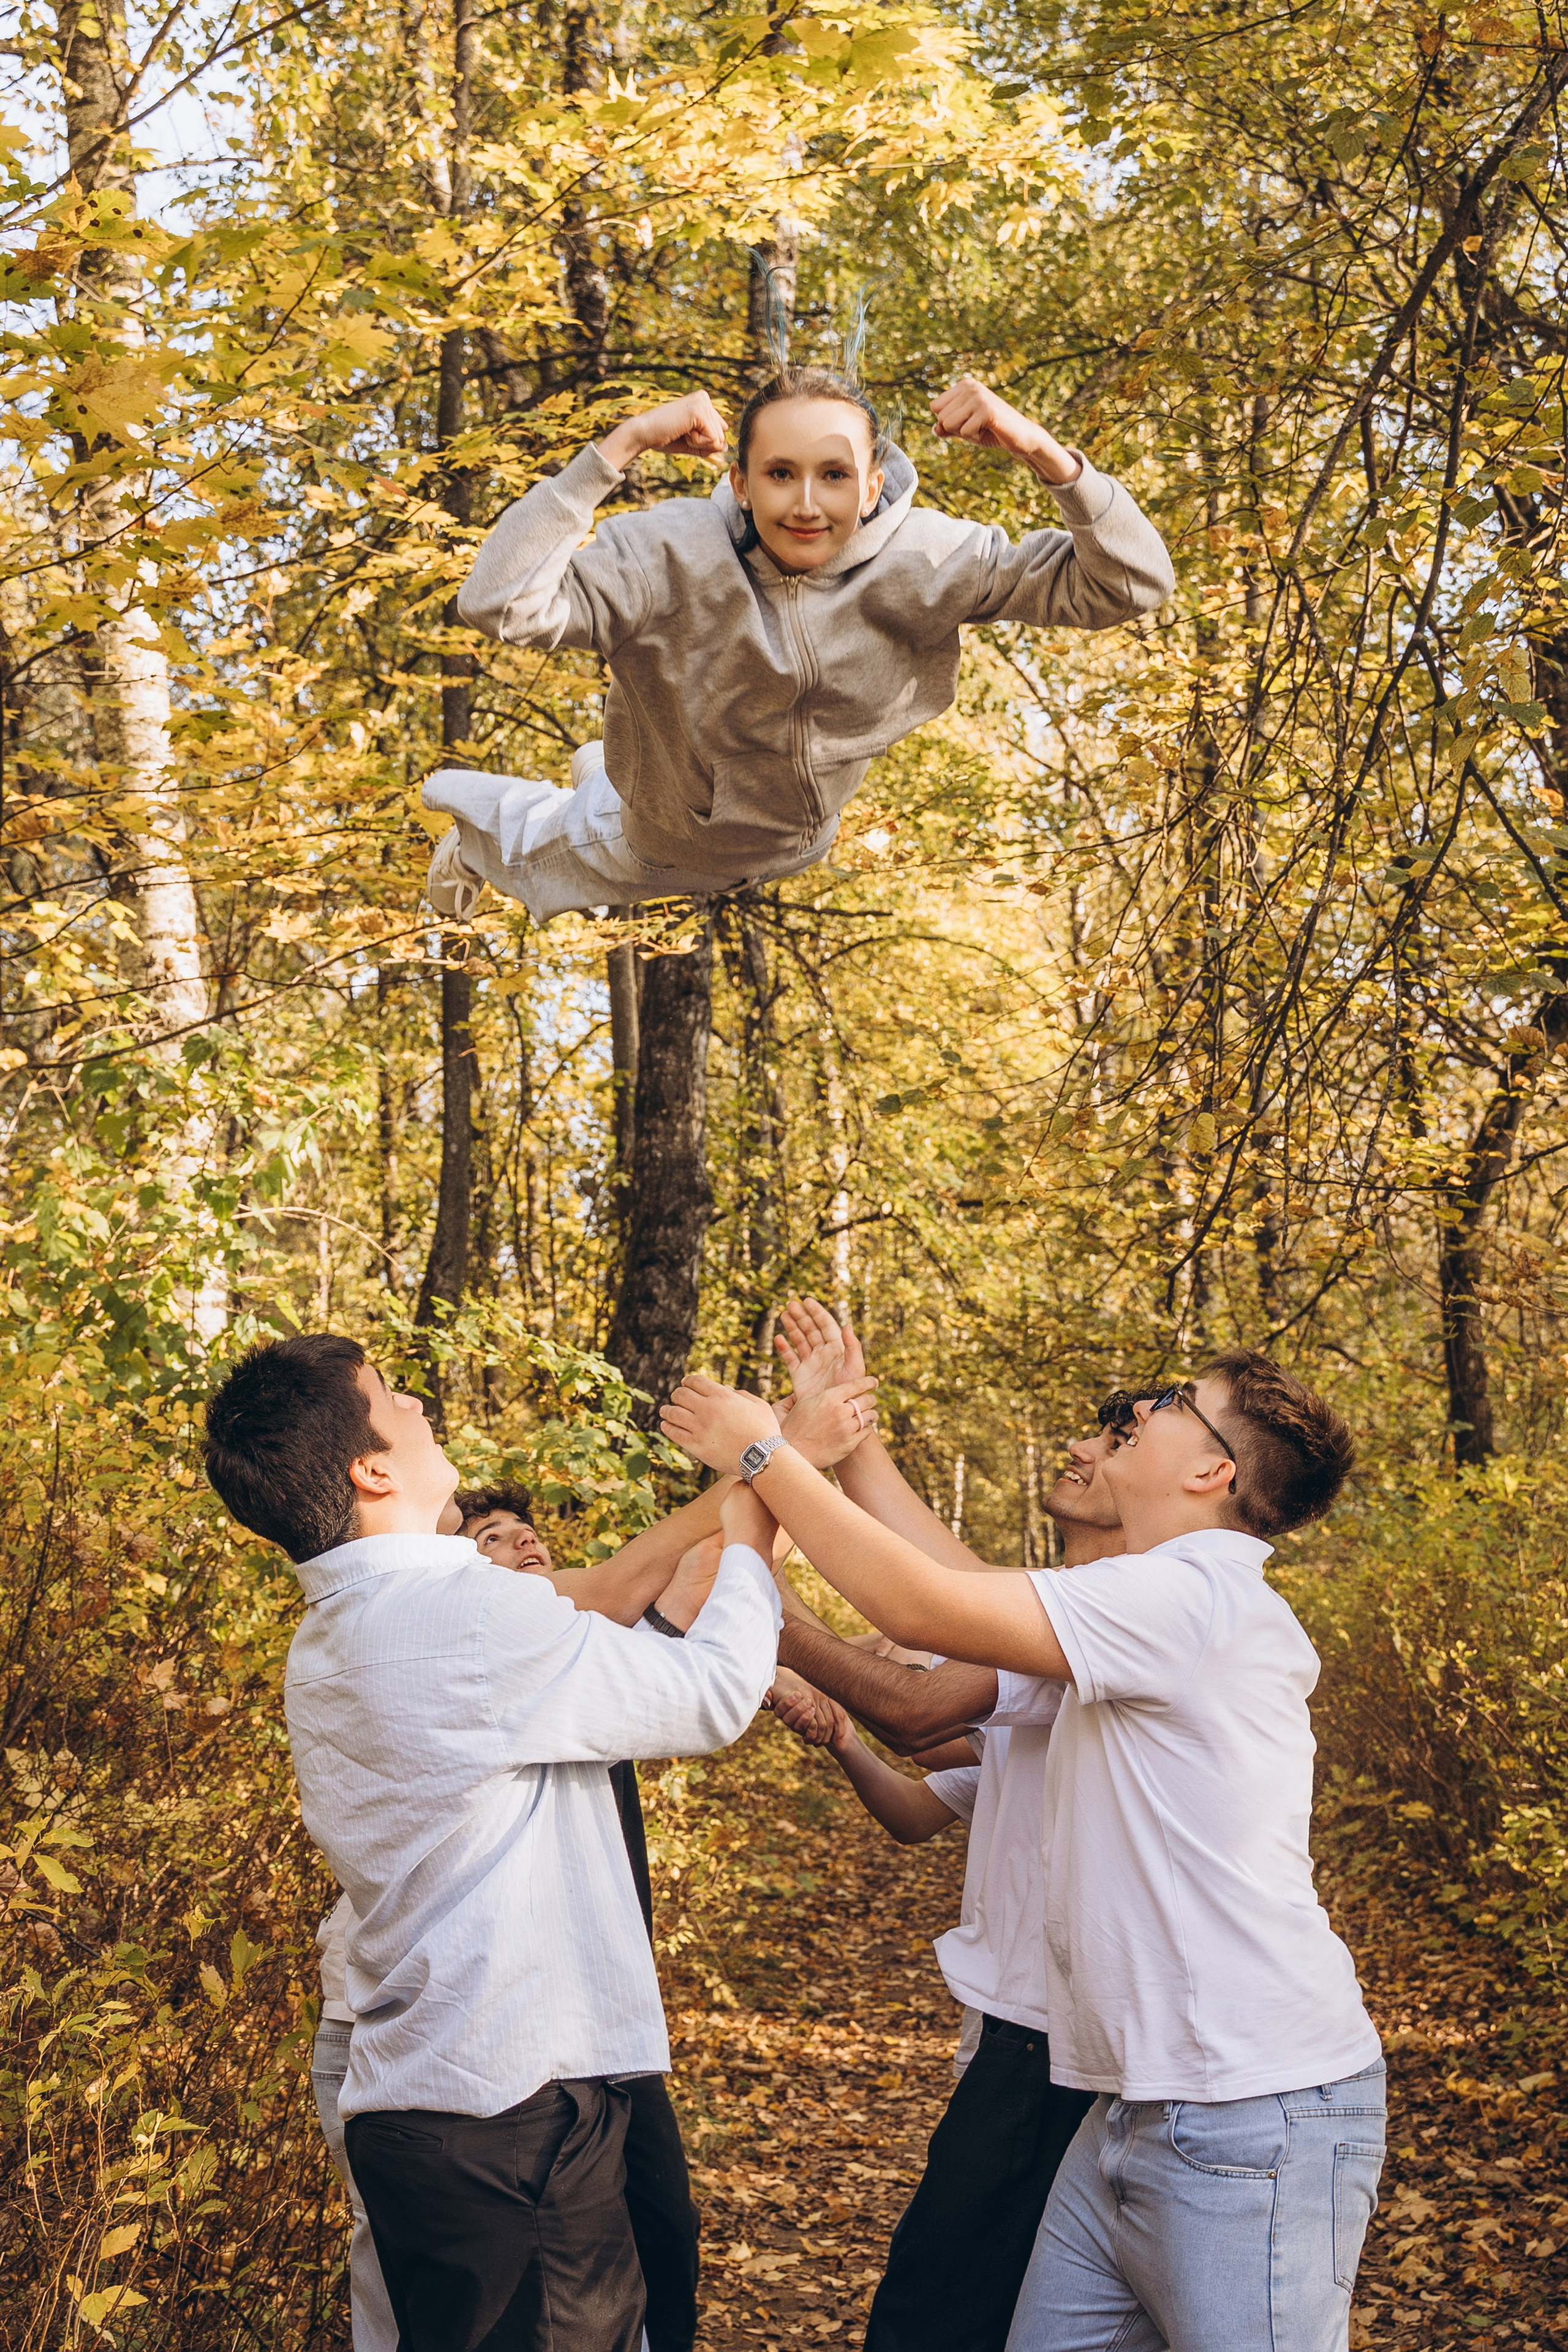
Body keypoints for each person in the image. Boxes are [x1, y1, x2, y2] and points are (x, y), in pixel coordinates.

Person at [661, 1346, 1385, 2352]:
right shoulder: (1136, 1602)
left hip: (1251, 2106)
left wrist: (763, 1454)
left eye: (1175, 1403)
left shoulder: (1191, 1598)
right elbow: (954, 1609)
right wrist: (842, 1446)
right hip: (1126, 2106)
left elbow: (918, 1607)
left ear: (1211, 1471)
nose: (1137, 1408)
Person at [202, 1330, 872, 2352]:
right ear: (372, 1467)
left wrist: (772, 1465)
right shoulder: (458, 1616)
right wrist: (773, 1463)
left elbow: (606, 1593)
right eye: (395, 1396)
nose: (422, 1403)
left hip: (436, 2103)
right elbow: (712, 1693)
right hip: (512, 2114)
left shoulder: (352, 1623)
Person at [423, 367, 1174, 923]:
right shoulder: (666, 554)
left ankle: (606, 761)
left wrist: (1044, 452)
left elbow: (1130, 584)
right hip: (660, 840)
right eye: (780, 474)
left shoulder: (932, 559)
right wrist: (618, 448)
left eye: (835, 475)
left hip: (795, 840)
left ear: (874, 485)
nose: (807, 505)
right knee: (541, 845)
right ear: (741, 483)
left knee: (623, 764)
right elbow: (498, 603)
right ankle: (470, 846)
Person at [766, 1302, 1136, 2352]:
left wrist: (767, 1580)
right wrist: (853, 1435)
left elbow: (925, 1692)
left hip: (1058, 2044)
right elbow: (943, 1598)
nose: (1080, 1448)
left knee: (936, 2318)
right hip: (1037, 2034)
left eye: (1114, 1441)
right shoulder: (1080, 1601)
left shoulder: (1120, 1604)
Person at [306, 1482, 725, 2352]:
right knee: (428, 2293)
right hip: (440, 2045)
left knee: (656, 2243)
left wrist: (778, 1479)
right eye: (493, 1538)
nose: (525, 1542)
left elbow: (677, 1596)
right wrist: (762, 1458)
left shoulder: (563, 1657)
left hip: (570, 2042)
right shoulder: (449, 1633)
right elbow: (629, 1594)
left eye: (529, 1531)